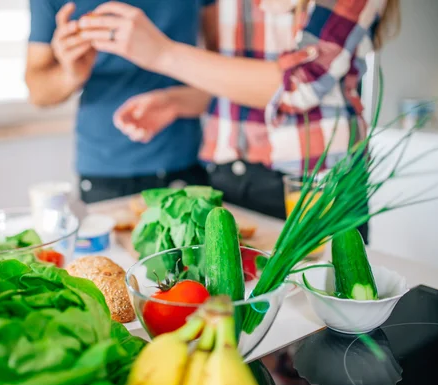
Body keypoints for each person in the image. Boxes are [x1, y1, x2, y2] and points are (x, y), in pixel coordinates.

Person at [77, 0, 400, 242]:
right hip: (230, 180)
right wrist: (179, 102)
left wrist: (163, 53)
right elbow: (239, 81)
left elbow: (301, 83)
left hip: (317, 188)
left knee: (327, 323)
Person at [25, 1, 218, 203]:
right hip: (105, 169)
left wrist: (176, 99)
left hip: (186, 159)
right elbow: (37, 91)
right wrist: (70, 75)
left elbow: (223, 68)